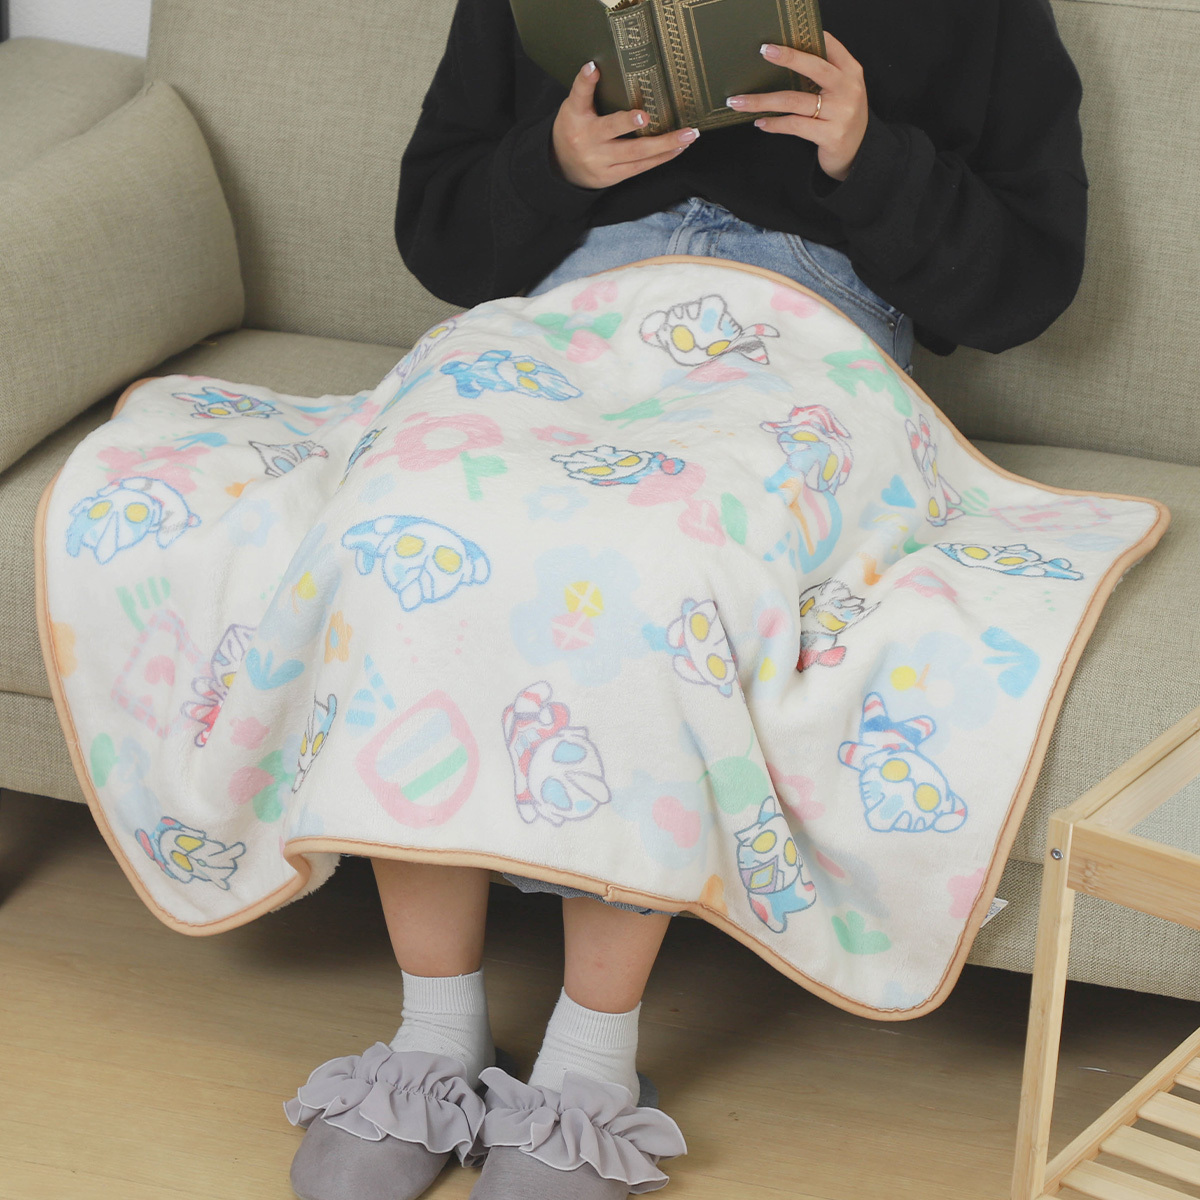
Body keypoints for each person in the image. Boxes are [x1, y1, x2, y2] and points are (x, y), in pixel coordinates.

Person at [286, 1, 1087, 1197]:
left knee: (660, 553)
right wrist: (556, 163)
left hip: (806, 332)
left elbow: (1029, 282)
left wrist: (870, 156)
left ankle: (588, 1069)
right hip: (564, 315)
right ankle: (429, 1038)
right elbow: (440, 227)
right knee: (405, 518)